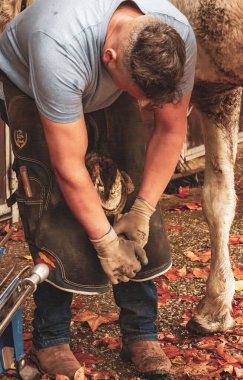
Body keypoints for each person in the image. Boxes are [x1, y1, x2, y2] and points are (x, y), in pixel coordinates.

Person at [0, 0, 197, 378]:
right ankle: (52, 338)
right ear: (110, 58)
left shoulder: (171, 39)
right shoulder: (57, 45)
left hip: (103, 74)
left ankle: (141, 331)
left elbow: (171, 130)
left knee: (134, 186)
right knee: (55, 208)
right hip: (32, 79)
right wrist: (105, 242)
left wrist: (141, 211)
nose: (145, 106)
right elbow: (69, 167)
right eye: (140, 95)